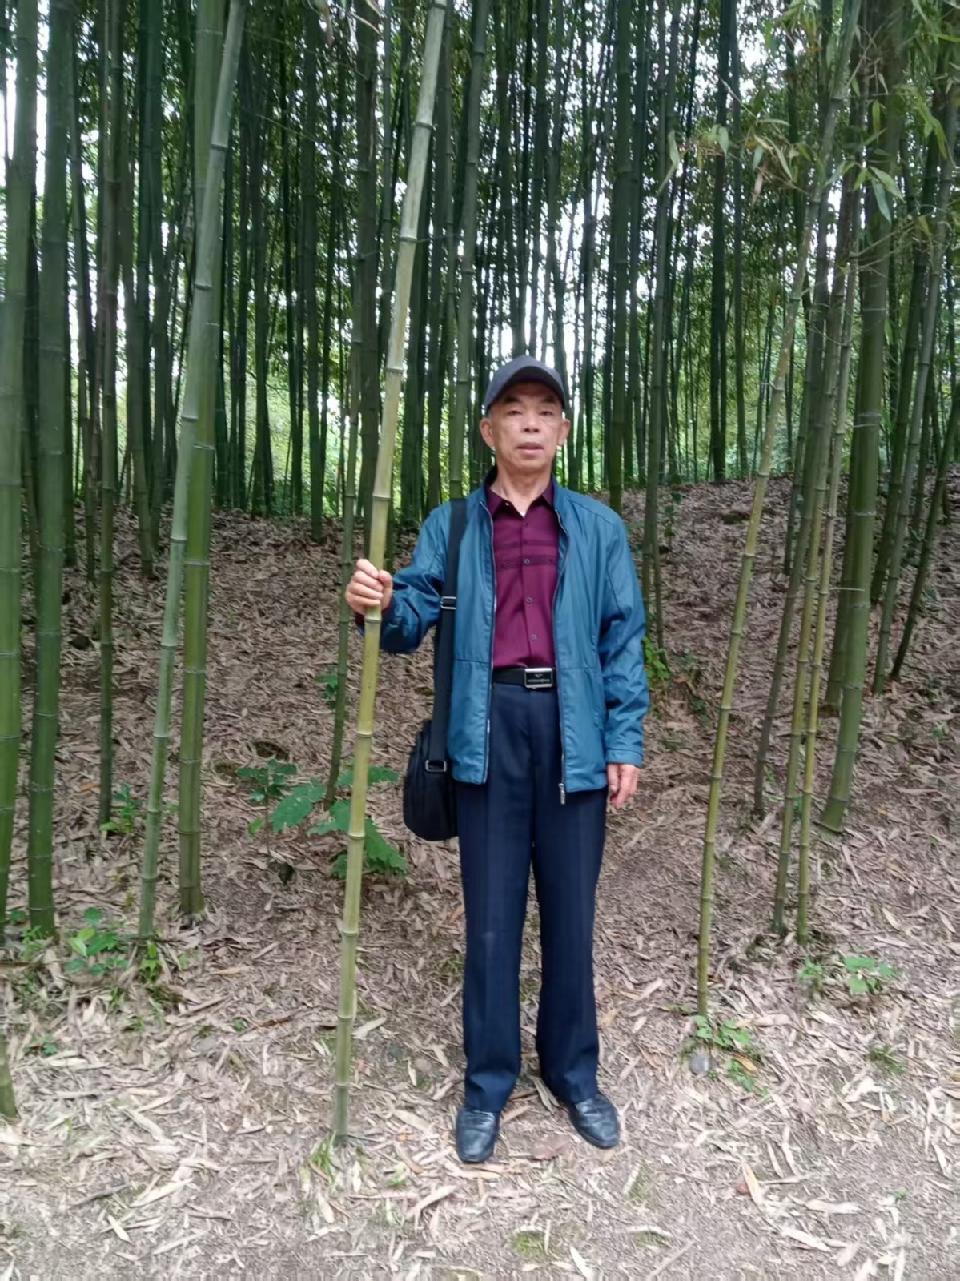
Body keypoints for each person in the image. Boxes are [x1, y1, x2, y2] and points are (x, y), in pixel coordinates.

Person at [345, 355, 649, 1163]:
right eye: (514, 409)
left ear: (563, 430)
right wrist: (380, 601)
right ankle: (487, 1084)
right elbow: (409, 617)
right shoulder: (453, 524)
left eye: (545, 410)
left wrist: (624, 739)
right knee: (490, 920)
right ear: (489, 429)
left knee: (572, 914)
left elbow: (621, 638)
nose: (530, 422)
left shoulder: (598, 528)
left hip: (573, 727)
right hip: (485, 729)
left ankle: (575, 1074)